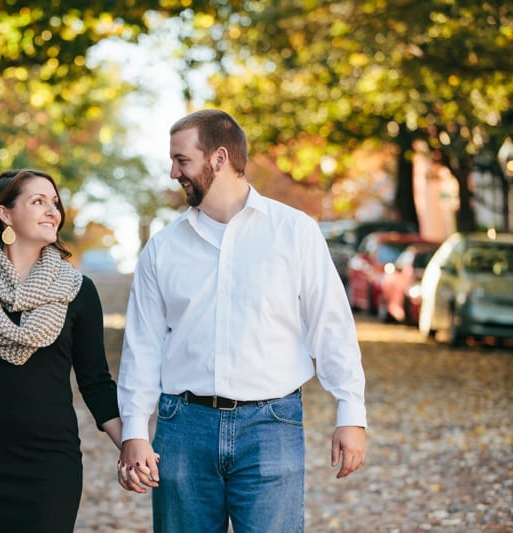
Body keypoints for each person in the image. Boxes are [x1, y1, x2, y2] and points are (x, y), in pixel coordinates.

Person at [116, 109, 367, 532]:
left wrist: (351, 413)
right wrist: (134, 431)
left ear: (218, 158)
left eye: (182, 160)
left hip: (272, 425)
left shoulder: (294, 232)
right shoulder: (163, 249)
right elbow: (142, 345)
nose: (174, 171)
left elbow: (332, 325)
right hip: (183, 429)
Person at [0, 169, 123, 531]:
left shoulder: (78, 291)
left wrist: (130, 444)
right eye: (38, 201)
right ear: (5, 214)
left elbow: (96, 382)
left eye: (55, 203)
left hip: (49, 466)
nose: (53, 211)